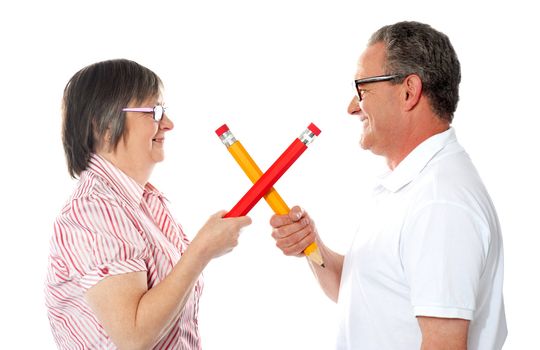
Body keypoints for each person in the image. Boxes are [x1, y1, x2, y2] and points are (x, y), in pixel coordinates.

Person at [270, 21, 506, 349]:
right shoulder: (409, 187)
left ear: (409, 91)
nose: (352, 107)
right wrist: (314, 247)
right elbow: (363, 292)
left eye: (362, 90)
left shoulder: (439, 203)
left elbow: (444, 344)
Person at [45, 59, 252, 349]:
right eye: (154, 112)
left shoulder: (145, 203)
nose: (167, 124)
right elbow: (133, 338)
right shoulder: (93, 211)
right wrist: (202, 250)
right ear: (103, 125)